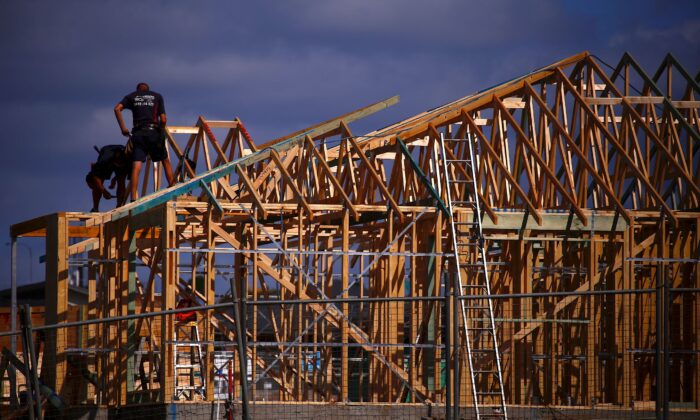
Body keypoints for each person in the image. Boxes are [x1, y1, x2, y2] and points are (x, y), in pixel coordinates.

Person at [114, 82, 175, 201]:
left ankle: (133, 198)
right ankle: (173, 188)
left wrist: (123, 128)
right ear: (148, 90)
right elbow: (163, 119)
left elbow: (117, 109)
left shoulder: (132, 96)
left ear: (137, 90)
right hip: (153, 132)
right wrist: (161, 132)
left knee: (136, 164)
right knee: (165, 159)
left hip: (138, 133)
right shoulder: (157, 96)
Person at [85, 144, 131, 212]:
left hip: (120, 159)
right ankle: (95, 208)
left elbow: (123, 173)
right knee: (97, 183)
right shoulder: (105, 159)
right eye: (119, 164)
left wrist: (114, 179)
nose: (120, 166)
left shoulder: (129, 159)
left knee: (121, 180)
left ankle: (119, 206)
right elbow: (95, 177)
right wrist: (104, 191)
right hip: (107, 160)